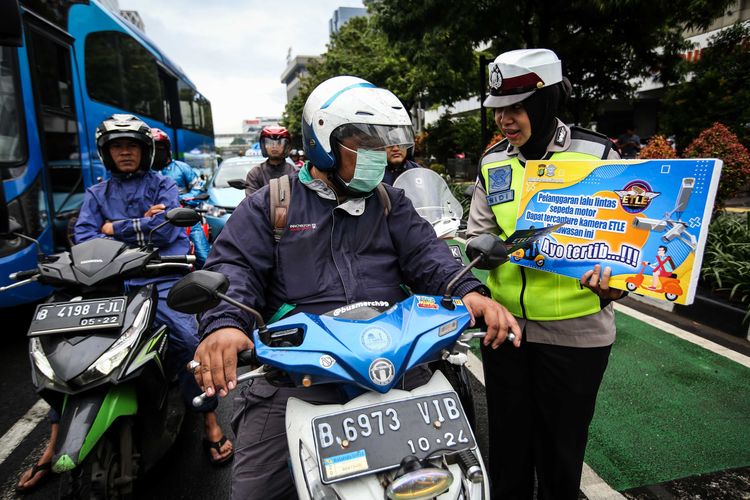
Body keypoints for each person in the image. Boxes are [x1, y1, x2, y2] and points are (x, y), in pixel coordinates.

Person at [190, 75, 521, 499]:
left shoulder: (390, 202)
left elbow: (427, 254)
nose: (377, 158)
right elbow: (235, 268)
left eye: (382, 146)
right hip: (296, 375)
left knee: (458, 484)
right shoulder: (270, 204)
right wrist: (224, 325)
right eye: (364, 146)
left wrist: (470, 291)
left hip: (395, 361)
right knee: (256, 490)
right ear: (323, 143)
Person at [468, 48, 625, 500]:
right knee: (509, 453)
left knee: (561, 455)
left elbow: (627, 241)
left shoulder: (598, 153)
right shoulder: (493, 162)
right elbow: (478, 233)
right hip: (506, 331)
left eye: (516, 107)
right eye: (498, 109)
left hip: (577, 334)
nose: (505, 120)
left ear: (546, 100)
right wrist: (485, 254)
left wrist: (615, 285)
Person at [74, 114, 233, 465]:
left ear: (145, 150)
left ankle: (209, 419)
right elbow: (84, 237)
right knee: (69, 346)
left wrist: (114, 228)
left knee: (190, 344)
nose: (126, 152)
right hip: (112, 281)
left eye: (132, 146)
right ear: (106, 153)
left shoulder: (164, 185)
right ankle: (56, 436)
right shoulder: (95, 193)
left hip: (161, 277)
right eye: (118, 147)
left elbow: (164, 229)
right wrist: (142, 223)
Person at [151, 127, 210, 268]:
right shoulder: (144, 175)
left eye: (160, 148)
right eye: (153, 148)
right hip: (156, 223)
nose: (157, 152)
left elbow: (199, 187)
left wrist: (183, 198)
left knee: (204, 257)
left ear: (167, 149)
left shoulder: (182, 167)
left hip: (186, 219)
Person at [244, 126, 298, 196]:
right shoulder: (255, 174)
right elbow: (251, 202)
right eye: (269, 142)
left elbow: (301, 201)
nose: (274, 146)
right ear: (263, 145)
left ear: (286, 146)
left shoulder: (296, 173)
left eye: (279, 143)